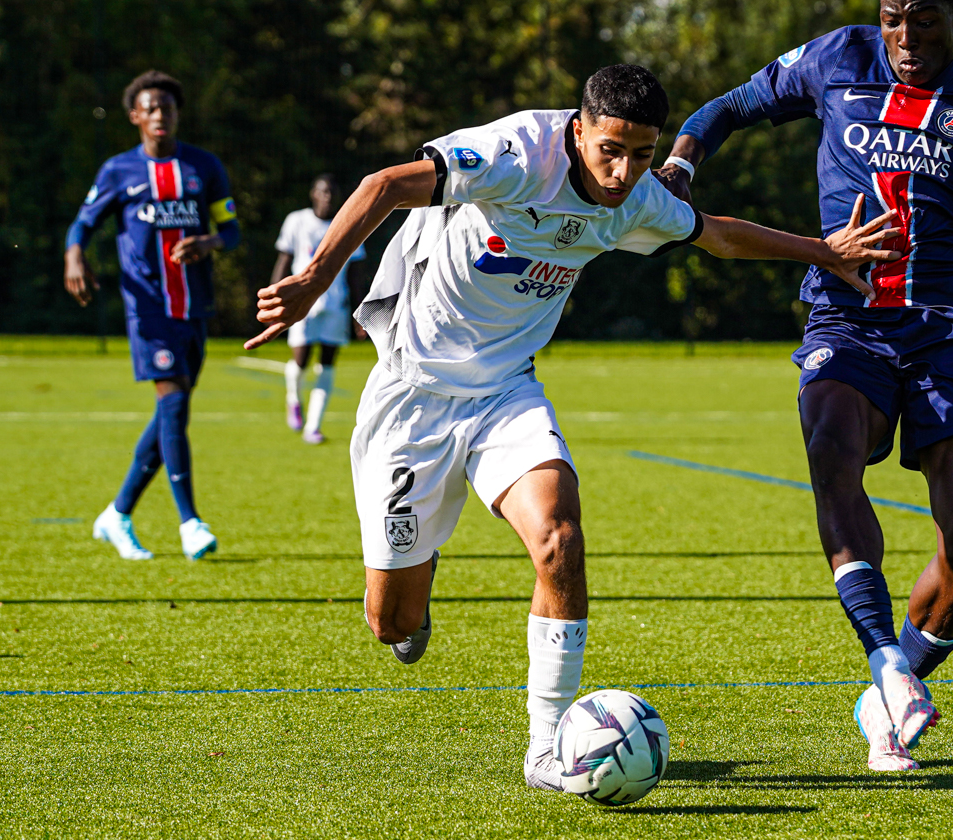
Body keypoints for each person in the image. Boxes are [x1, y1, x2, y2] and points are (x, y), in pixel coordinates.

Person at [243, 64, 893, 790]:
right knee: (391, 622)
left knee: (560, 537)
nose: (622, 172)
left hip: (505, 395)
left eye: (641, 154)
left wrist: (823, 251)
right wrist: (314, 281)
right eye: (610, 149)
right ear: (578, 130)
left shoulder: (636, 200)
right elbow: (387, 186)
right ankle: (412, 601)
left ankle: (546, 748)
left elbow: (717, 236)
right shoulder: (515, 155)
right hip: (412, 395)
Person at [657, 0, 953, 771]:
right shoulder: (835, 57)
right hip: (845, 318)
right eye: (893, 20)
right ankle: (885, 663)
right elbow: (728, 108)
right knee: (831, 447)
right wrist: (680, 163)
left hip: (947, 329)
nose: (904, 38)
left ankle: (890, 691)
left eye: (924, 23)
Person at [65, 70, 239, 561]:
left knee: (171, 411)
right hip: (148, 310)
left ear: (177, 114)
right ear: (135, 116)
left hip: (194, 307)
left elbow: (231, 229)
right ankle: (190, 522)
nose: (160, 114)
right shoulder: (118, 170)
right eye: (151, 107)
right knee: (175, 406)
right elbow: (82, 223)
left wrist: (207, 241)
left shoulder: (203, 167)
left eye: (168, 107)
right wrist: (74, 254)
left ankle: (117, 514)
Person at [271, 175, 366, 444]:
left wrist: (360, 315)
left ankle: (313, 426)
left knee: (327, 364)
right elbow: (284, 260)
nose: (328, 197)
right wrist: (275, 300)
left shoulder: (351, 223)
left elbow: (355, 276)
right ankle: (293, 398)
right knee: (300, 361)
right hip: (303, 302)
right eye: (323, 192)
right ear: (313, 194)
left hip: (335, 305)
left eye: (333, 193)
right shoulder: (297, 221)